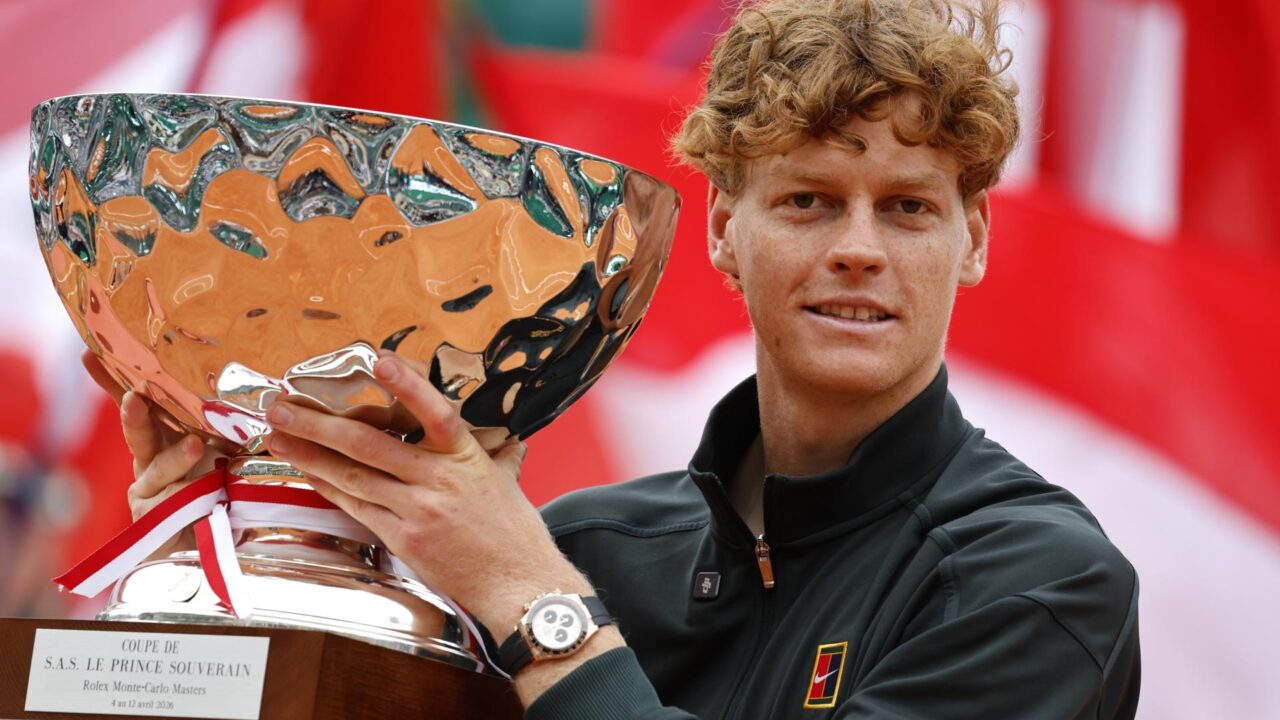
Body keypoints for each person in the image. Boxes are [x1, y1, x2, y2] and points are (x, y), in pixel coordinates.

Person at [88, 0, 1140, 716]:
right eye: (807, 200)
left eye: (907, 208)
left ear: (975, 241)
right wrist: (247, 555)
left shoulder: (1035, 582)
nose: (857, 249)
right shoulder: (591, 543)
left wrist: (532, 603)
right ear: (726, 231)